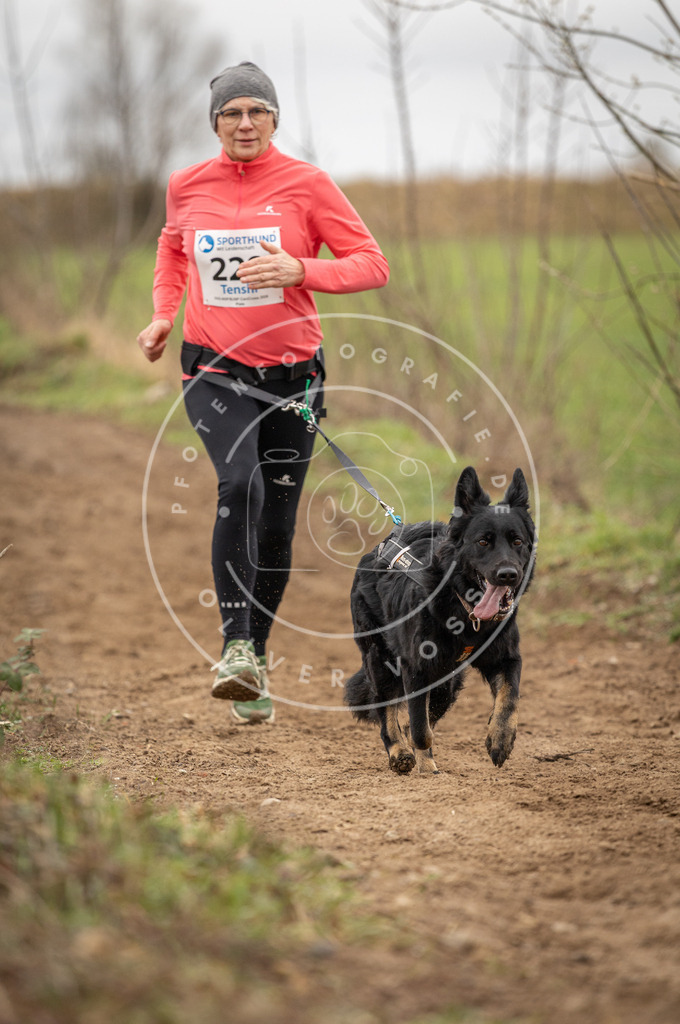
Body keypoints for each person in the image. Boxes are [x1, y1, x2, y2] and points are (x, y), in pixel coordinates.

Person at [137, 61, 389, 725]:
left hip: (293, 379)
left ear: (274, 119)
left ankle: (254, 669)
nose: (243, 123)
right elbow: (172, 253)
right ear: (214, 123)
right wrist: (165, 313)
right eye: (230, 113)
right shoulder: (186, 185)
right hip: (213, 370)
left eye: (256, 111)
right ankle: (235, 647)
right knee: (239, 484)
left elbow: (372, 263)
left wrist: (300, 268)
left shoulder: (307, 184)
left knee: (276, 529)